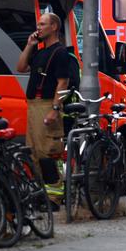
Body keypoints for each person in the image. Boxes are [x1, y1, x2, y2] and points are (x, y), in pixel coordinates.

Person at [15, 12, 79, 185]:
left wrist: (55, 109)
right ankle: (41, 192)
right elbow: (20, 67)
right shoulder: (40, 52)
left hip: (46, 105)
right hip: (34, 106)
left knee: (47, 152)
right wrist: (30, 45)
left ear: (54, 27)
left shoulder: (60, 53)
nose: (38, 28)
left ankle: (55, 195)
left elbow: (62, 82)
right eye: (38, 25)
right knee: (33, 151)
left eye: (42, 24)